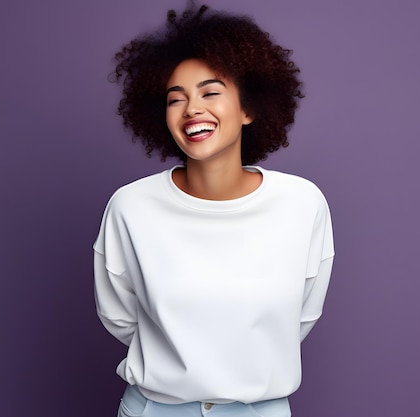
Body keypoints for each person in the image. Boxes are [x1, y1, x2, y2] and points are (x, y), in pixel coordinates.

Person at [94, 4, 334, 416]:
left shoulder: (302, 204)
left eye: (210, 92)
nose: (191, 110)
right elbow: (120, 317)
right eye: (176, 99)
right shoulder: (130, 208)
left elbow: (299, 317)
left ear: (248, 108)